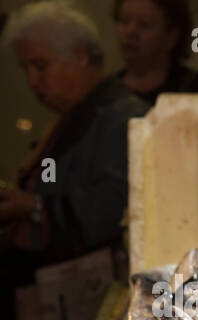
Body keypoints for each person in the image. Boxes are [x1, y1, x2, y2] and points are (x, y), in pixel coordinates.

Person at [1, 1, 148, 263]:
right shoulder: (65, 119)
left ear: (81, 57)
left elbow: (118, 208)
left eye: (41, 66)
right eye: (26, 70)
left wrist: (33, 206)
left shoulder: (124, 116)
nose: (32, 82)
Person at [114, 0, 198, 106]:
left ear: (171, 37)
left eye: (144, 24)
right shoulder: (105, 93)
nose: (130, 32)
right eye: (124, 21)